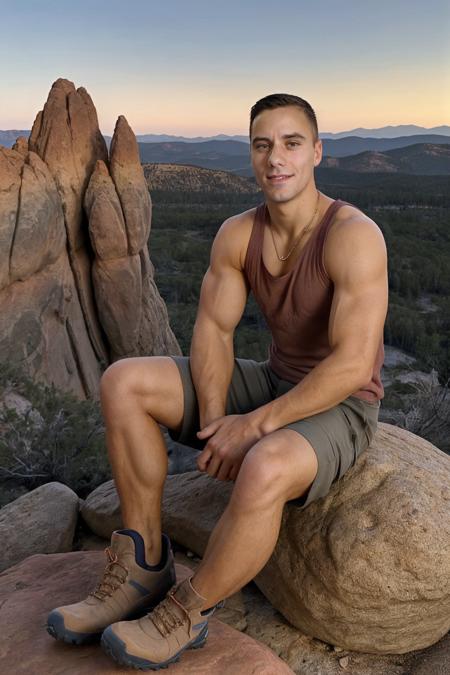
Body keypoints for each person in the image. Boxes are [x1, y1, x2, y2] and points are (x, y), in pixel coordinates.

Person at [46, 93, 388, 670]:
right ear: (251, 155)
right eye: (262, 145)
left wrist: (251, 429)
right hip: (277, 380)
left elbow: (353, 364)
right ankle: (141, 569)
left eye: (291, 143)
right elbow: (213, 334)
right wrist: (214, 424)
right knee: (123, 382)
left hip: (343, 405)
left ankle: (190, 611)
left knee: (265, 464)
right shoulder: (238, 234)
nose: (275, 158)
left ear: (317, 153)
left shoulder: (352, 235)